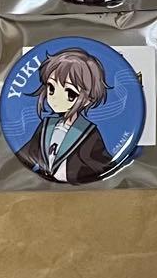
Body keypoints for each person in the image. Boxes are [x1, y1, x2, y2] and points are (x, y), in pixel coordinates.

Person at [16, 48, 114, 183]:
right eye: (51, 88)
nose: (56, 98)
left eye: (70, 93)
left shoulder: (88, 132)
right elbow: (26, 154)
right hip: (41, 184)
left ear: (88, 99)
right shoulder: (46, 125)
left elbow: (103, 165)